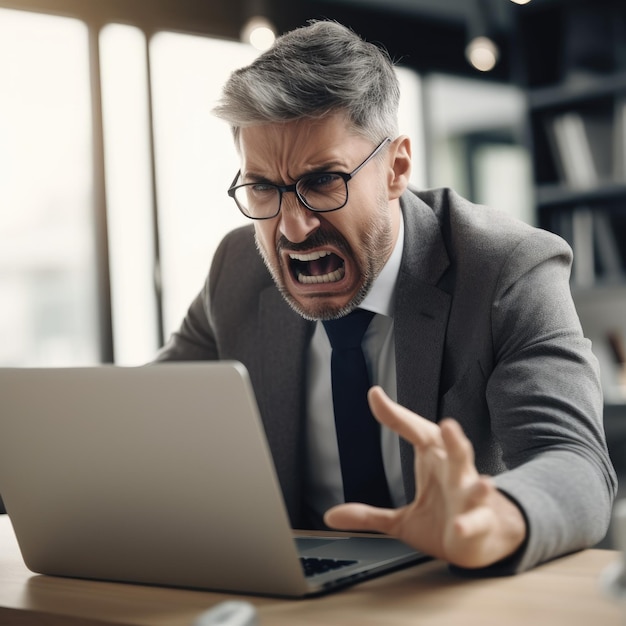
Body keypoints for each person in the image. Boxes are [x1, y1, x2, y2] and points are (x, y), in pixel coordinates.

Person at [155, 20, 617, 573]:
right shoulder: (238, 268)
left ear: (396, 167)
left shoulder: (506, 269)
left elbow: (577, 465)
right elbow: (138, 420)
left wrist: (495, 517)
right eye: (262, 188)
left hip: (446, 593)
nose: (293, 228)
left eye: (323, 180)